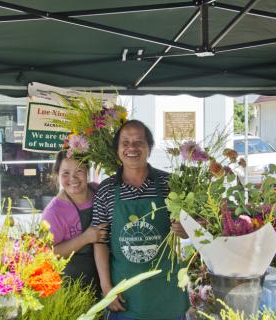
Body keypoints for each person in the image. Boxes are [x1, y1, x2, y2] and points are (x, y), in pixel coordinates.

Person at [92, 120, 190, 320]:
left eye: (139, 142)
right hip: (125, 295)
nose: (132, 148)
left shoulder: (170, 184)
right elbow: (99, 241)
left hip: (167, 291)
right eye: (125, 143)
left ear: (149, 147)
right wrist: (106, 287)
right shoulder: (106, 190)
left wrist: (185, 229)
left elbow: (191, 230)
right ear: (117, 149)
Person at [42, 150, 107, 292]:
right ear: (58, 174)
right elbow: (47, 254)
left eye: (79, 171)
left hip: (105, 279)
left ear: (88, 171)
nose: (73, 178)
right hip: (72, 287)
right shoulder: (54, 212)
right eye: (65, 173)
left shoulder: (98, 191)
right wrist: (85, 238)